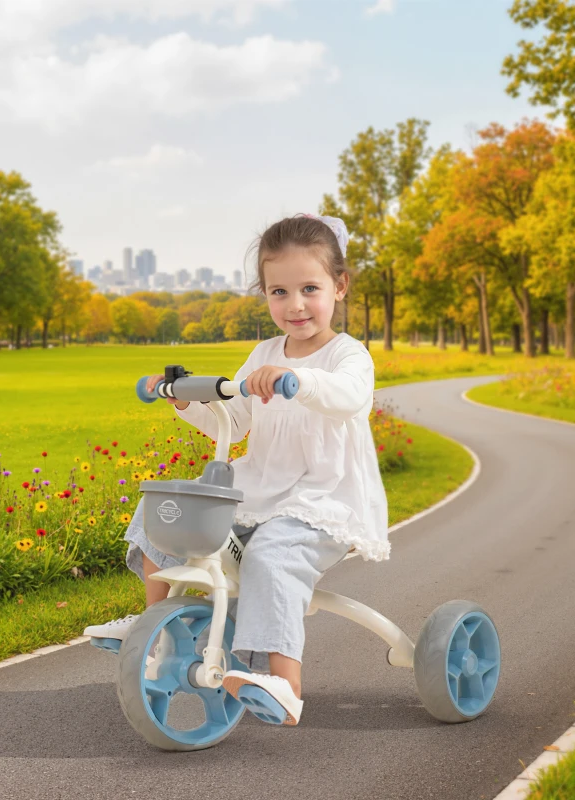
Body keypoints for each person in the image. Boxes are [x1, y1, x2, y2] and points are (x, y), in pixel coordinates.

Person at [84, 214, 389, 726]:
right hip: (260, 487)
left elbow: (350, 398)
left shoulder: (347, 355)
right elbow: (234, 418)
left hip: (322, 500)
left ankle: (285, 684)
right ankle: (153, 625)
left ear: (339, 287)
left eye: (309, 288)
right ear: (265, 294)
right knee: (171, 509)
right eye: (279, 291)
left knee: (273, 554)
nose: (294, 305)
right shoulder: (265, 353)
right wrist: (185, 403)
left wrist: (300, 380)